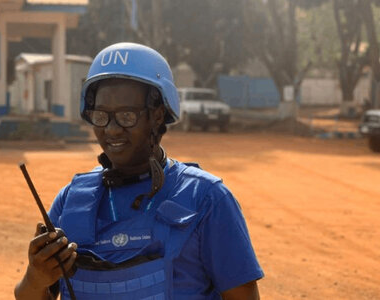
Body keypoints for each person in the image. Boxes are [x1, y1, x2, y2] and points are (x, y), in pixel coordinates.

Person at [14, 42, 264, 300]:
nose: (111, 129)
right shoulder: (70, 201)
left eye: (126, 115)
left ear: (156, 115)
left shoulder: (206, 199)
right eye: (101, 115)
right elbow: (31, 294)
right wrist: (36, 278)